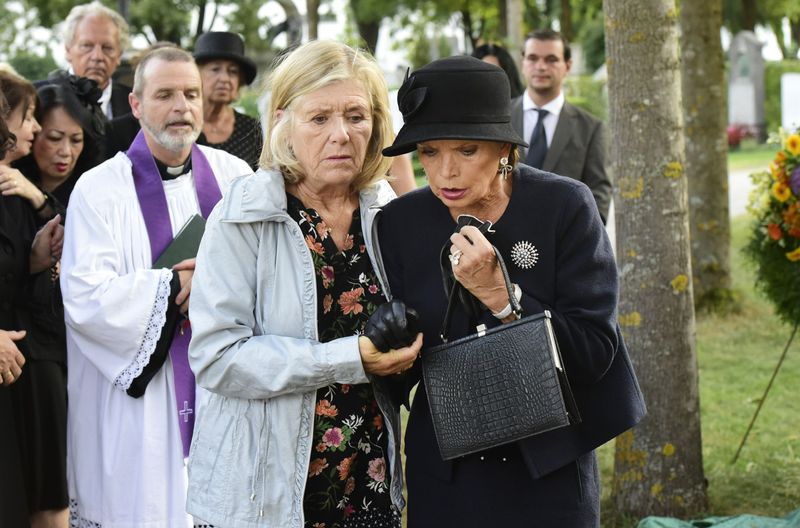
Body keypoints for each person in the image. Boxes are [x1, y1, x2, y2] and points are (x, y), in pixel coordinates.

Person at [378, 56, 645, 527]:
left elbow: (593, 351)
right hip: (447, 475)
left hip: (549, 470)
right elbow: (400, 381)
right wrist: (387, 337)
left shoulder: (564, 206)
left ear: (503, 147)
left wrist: (503, 298)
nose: (445, 173)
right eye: (429, 153)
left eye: (465, 150)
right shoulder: (401, 224)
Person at [186, 40, 421, 528]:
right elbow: (217, 357)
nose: (341, 134)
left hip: (367, 483)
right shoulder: (245, 214)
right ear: (282, 122)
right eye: (319, 118)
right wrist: (350, 357)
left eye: (356, 116)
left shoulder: (388, 213)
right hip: (261, 497)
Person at [60, 47, 251, 527]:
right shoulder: (98, 189)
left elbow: (267, 272)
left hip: (219, 386)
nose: (182, 106)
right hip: (140, 401)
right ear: (136, 104)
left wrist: (215, 282)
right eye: (164, 94)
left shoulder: (238, 180)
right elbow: (85, 298)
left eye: (190, 93)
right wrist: (174, 285)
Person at [0, 88, 65, 528]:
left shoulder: (14, 192)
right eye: (26, 117)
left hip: (23, 365)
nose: (36, 129)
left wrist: (34, 261)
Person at [510, 29, 612, 223]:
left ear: (567, 65)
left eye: (551, 59)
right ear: (522, 63)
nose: (541, 66)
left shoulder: (591, 129)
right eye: (533, 58)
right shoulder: (499, 118)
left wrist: (583, 238)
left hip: (564, 242)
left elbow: (599, 192)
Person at [193, 31, 263, 170]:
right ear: (195, 75)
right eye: (215, 69)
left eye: (233, 72)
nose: (224, 79)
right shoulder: (182, 124)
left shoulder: (251, 129)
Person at [61, 1, 131, 119]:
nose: (97, 56)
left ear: (119, 55)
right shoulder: (41, 99)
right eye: (87, 46)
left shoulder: (137, 105)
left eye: (107, 48)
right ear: (68, 50)